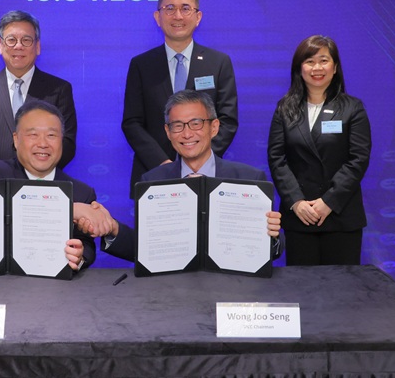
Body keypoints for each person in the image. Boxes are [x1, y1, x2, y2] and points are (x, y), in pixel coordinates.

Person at [103, 90, 281, 262]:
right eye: (177, 126)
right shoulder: (152, 182)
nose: (187, 134)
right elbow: (145, 248)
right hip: (169, 287)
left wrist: (270, 238)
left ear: (214, 127)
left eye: (196, 123)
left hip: (232, 285)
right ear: (167, 132)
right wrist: (113, 228)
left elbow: (271, 250)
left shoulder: (250, 180)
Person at [0, 100, 133, 271]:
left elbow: (86, 245)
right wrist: (69, 209)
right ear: (16, 139)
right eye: (33, 134)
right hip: (1, 284)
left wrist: (79, 256)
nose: (43, 143)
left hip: (59, 291)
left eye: (51, 135)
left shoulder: (81, 192)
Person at [122, 0, 238, 192]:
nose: (178, 16)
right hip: (153, 175)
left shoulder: (219, 63)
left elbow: (227, 121)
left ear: (198, 17)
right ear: (158, 17)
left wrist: (198, 161)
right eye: (170, 9)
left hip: (207, 176)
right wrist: (165, 166)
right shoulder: (141, 64)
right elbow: (132, 123)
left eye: (185, 9)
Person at [267, 35, 371, 265]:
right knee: (303, 292)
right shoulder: (285, 108)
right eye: (310, 61)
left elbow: (358, 159)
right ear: (299, 68)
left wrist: (329, 202)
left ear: (335, 68)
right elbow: (277, 159)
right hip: (300, 218)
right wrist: (296, 202)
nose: (317, 68)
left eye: (323, 60)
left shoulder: (352, 108)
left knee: (341, 292)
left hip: (340, 216)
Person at [0, 10, 77, 172]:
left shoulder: (59, 89)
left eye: (26, 40)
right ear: (1, 46)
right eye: (11, 40)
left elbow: (67, 142)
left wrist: (34, 172)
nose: (18, 46)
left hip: (42, 187)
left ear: (37, 46)